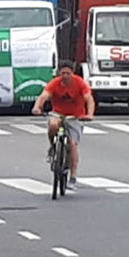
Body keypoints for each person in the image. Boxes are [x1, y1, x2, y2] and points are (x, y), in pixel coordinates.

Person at [31, 61, 96, 189]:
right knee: (53, 126)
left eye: (68, 73)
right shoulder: (55, 83)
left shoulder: (80, 83)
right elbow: (44, 96)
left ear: (72, 73)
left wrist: (89, 114)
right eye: (63, 73)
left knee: (72, 144)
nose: (65, 76)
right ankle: (53, 148)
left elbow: (89, 99)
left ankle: (73, 176)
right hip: (58, 113)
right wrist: (37, 107)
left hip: (75, 116)